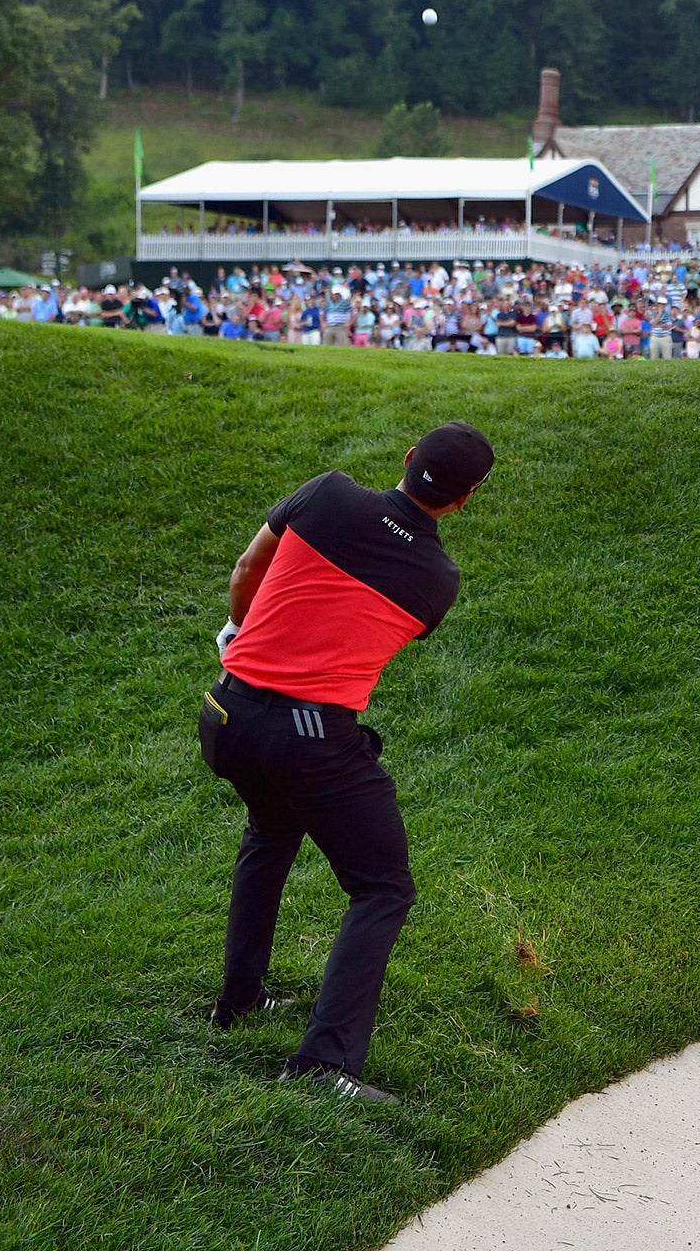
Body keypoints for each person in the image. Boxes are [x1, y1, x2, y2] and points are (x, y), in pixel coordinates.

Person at [202, 423, 493, 1103]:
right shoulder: (436, 582)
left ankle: (238, 1002)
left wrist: (241, 635)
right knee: (383, 885)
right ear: (466, 499)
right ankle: (321, 1066)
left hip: (227, 713)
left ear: (407, 459)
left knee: (270, 832)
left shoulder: (326, 493)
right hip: (310, 736)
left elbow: (248, 570)